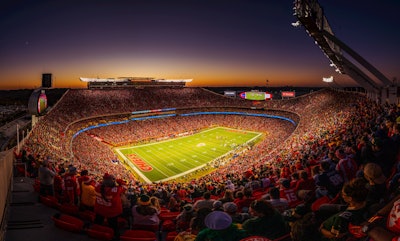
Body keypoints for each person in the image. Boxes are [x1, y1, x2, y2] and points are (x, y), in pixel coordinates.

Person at [94, 173, 124, 239]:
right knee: (113, 225)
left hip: (100, 209)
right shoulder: (116, 190)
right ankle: (114, 236)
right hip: (111, 212)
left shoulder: (97, 186)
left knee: (98, 222)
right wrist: (120, 183)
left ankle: (95, 232)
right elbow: (123, 189)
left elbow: (97, 185)